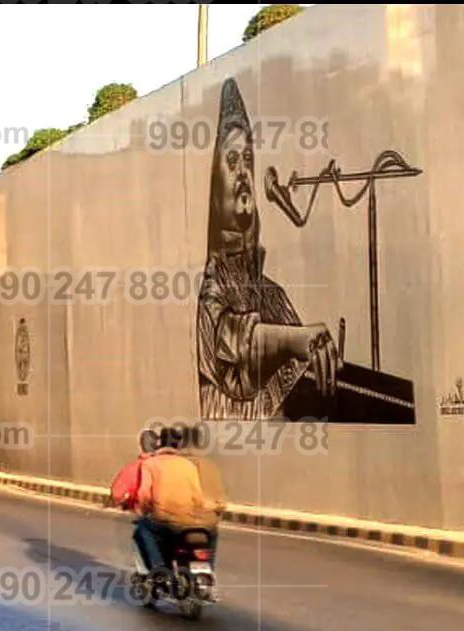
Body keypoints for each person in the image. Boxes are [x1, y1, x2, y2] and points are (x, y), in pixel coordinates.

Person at [196, 78, 341, 420]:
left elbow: (299, 377)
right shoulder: (212, 285)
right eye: (232, 162)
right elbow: (229, 343)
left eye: (247, 159)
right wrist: (290, 340)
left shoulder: (272, 293)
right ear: (215, 190)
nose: (243, 173)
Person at [116, 427, 226, 575]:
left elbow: (144, 494)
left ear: (159, 443)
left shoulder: (149, 464)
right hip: (190, 519)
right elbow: (197, 497)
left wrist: (144, 510)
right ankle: (208, 574)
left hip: (164, 519)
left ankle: (159, 567)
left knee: (144, 528)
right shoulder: (189, 465)